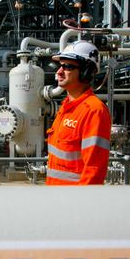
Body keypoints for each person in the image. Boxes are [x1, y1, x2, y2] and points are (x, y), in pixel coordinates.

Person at [46, 40, 111, 185]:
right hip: (55, 196)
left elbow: (94, 169)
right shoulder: (66, 107)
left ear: (85, 72)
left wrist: (81, 203)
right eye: (60, 66)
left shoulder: (94, 110)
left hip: (73, 201)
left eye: (67, 67)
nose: (59, 72)